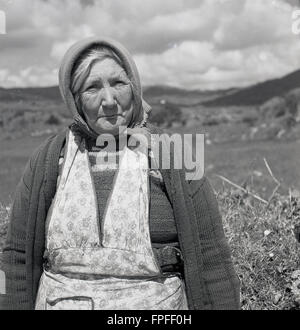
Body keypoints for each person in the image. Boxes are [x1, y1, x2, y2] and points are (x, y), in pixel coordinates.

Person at [1, 37, 240, 310]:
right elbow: (18, 259)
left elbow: (211, 258)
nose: (110, 100)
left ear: (134, 88)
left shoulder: (173, 157)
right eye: (92, 87)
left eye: (118, 83)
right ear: (75, 100)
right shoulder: (50, 159)